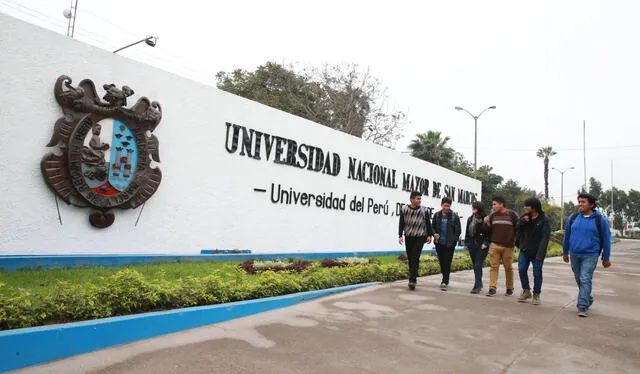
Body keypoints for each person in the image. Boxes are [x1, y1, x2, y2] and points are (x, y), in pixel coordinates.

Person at [563, 192, 612, 317]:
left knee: (585, 278)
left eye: (583, 202)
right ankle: (587, 298)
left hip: (590, 255)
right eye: (579, 201)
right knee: (579, 279)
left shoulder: (600, 220)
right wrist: (565, 252)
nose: (580, 204)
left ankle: (582, 306)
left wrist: (606, 258)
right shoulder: (572, 218)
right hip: (574, 254)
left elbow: (606, 240)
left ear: (591, 204)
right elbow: (567, 236)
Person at [516, 197, 551, 305]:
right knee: (521, 269)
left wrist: (540, 253)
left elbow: (545, 237)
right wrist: (522, 222)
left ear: (534, 207)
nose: (524, 207)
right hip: (525, 250)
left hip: (537, 252)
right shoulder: (525, 217)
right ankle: (526, 291)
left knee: (537, 273)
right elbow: (517, 228)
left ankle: (536, 294)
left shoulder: (544, 220)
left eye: (527, 206)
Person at [484, 196, 519, 297]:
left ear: (501, 204)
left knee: (508, 268)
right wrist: (486, 223)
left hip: (508, 246)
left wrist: (515, 242)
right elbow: (487, 231)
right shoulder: (492, 215)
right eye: (492, 204)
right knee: (494, 267)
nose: (493, 206)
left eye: (494, 204)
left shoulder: (513, 214)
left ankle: (509, 288)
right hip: (494, 245)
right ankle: (492, 288)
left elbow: (518, 229)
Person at [398, 191, 434, 290]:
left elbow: (427, 223)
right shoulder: (404, 209)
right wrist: (400, 235)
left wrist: (430, 235)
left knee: (415, 257)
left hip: (420, 237)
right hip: (409, 236)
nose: (419, 200)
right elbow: (401, 222)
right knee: (410, 258)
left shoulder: (424, 210)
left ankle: (412, 280)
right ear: (412, 199)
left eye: (420, 199)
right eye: (418, 199)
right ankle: (412, 277)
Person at [432, 197, 462, 291]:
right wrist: (434, 234)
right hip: (439, 243)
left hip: (449, 244)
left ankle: (445, 281)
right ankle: (445, 278)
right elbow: (432, 227)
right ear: (441, 205)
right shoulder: (437, 215)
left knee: (447, 262)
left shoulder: (454, 216)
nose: (446, 208)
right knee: (441, 262)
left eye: (448, 206)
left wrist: (454, 240)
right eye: (445, 206)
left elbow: (458, 230)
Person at [464, 201, 489, 294]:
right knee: (475, 265)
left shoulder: (485, 219)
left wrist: (486, 242)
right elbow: (467, 232)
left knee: (478, 264)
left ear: (479, 208)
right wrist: (466, 243)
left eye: (474, 207)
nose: (472, 209)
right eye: (472, 207)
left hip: (482, 245)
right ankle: (479, 283)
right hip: (472, 245)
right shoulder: (470, 219)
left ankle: (477, 286)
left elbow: (489, 233)